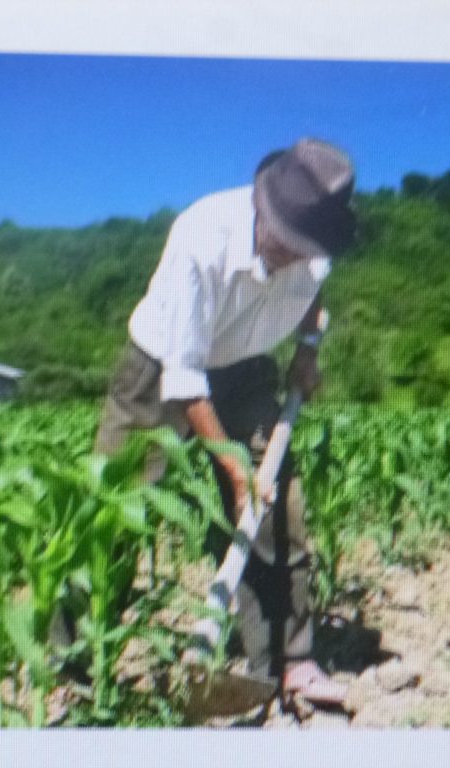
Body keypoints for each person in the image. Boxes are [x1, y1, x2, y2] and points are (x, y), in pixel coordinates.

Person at [94, 137, 356, 708]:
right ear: (263, 209)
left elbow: (314, 296)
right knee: (115, 506)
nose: (295, 256)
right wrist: (234, 469)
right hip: (161, 366)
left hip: (247, 365)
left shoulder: (315, 249)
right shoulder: (200, 236)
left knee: (277, 505)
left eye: (305, 247)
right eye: (285, 241)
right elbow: (184, 378)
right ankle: (76, 656)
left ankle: (288, 661)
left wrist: (307, 350)